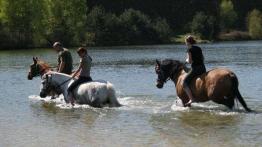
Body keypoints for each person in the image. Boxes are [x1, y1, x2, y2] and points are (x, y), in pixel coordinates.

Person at [183, 35, 206, 106]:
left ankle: (191, 99)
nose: (185, 43)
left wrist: (186, 60)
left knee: (185, 82)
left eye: (185, 42)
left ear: (188, 42)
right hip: (203, 68)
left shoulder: (189, 49)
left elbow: (189, 61)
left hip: (195, 69)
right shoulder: (199, 48)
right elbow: (203, 58)